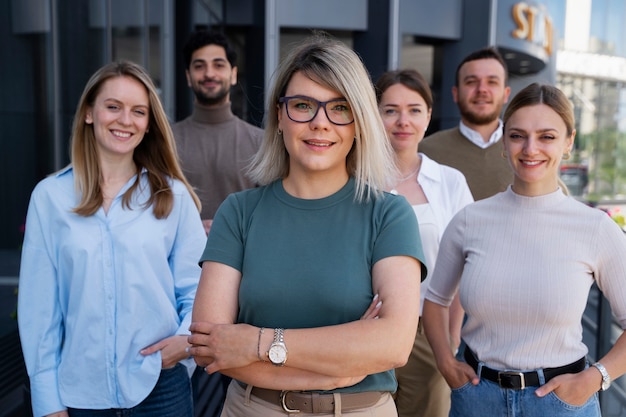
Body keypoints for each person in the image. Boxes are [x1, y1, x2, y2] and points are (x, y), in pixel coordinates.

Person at [187, 34, 427, 417]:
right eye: (302, 106)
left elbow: (394, 346)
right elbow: (210, 347)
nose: (320, 123)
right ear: (280, 117)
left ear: (359, 123)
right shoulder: (239, 212)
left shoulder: (390, 214)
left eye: (339, 108)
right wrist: (337, 367)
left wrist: (258, 341)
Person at [422, 83, 626, 417]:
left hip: (562, 403)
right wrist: (446, 362)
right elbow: (435, 301)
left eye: (547, 136)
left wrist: (596, 378)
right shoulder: (470, 220)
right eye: (518, 135)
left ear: (569, 142)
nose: (531, 148)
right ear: (504, 140)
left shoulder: (596, 228)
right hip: (476, 399)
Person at [17, 61, 206, 417]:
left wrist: (183, 346)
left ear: (149, 124)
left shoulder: (173, 196)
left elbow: (197, 287)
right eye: (113, 106)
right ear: (89, 112)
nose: (125, 120)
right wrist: (47, 401)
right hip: (79, 395)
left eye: (138, 111)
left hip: (161, 388)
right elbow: (39, 310)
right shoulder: (50, 198)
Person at [375, 69, 473, 417]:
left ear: (428, 116)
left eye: (414, 109)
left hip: (427, 330)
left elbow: (465, 262)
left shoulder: (450, 181)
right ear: (375, 114)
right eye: (391, 110)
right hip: (365, 326)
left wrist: (451, 334)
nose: (403, 120)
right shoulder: (355, 180)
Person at [172, 29, 263, 236]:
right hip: (180, 264)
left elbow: (271, 211)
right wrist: (192, 228)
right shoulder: (166, 140)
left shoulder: (261, 141)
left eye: (218, 65)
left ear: (233, 74)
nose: (209, 73)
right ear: (188, 76)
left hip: (243, 264)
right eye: (199, 66)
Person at [419, 46, 513, 201]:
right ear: (455, 93)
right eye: (471, 82)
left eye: (492, 82)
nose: (482, 89)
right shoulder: (426, 152)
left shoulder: (525, 153)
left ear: (506, 94)